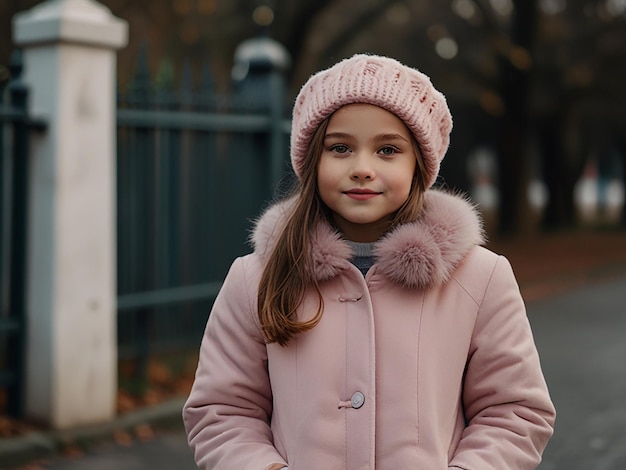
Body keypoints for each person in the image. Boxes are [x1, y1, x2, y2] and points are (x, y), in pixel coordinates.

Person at [183, 54, 555, 470]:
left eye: (388, 150)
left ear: (418, 164)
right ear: (312, 161)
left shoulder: (479, 278)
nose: (362, 169)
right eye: (340, 148)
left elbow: (514, 413)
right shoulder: (256, 278)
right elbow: (223, 411)